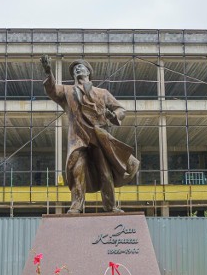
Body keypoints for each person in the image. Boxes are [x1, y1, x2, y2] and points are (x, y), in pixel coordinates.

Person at [40, 55, 139, 213]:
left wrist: (113, 116)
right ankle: (76, 205)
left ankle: (110, 205)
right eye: (75, 69)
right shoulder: (67, 91)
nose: (78, 69)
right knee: (77, 170)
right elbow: (52, 90)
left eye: (81, 67)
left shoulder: (102, 93)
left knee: (105, 172)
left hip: (98, 136)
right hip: (78, 137)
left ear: (88, 72)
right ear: (73, 75)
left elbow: (120, 110)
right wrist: (48, 72)